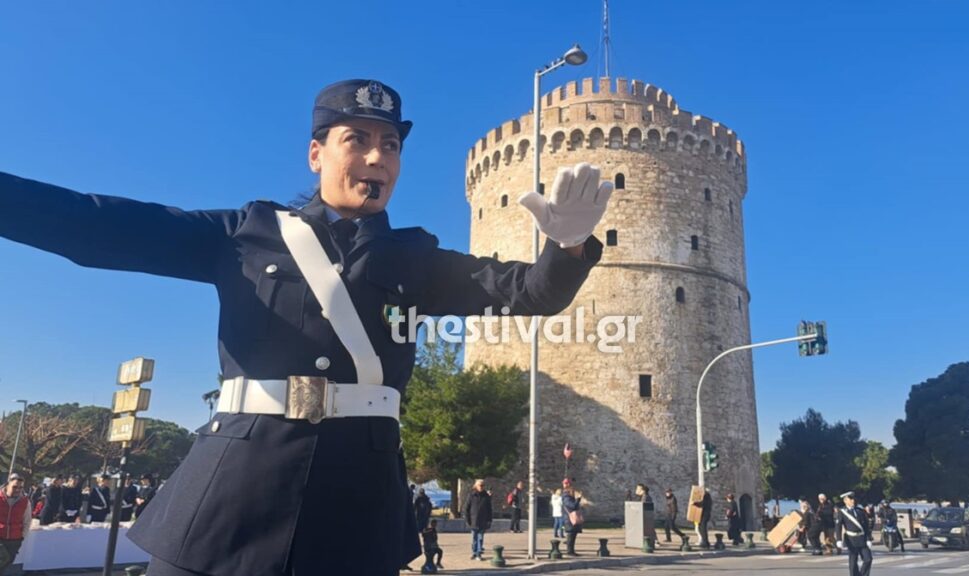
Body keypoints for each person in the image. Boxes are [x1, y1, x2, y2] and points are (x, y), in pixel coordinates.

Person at [0, 78, 609, 575]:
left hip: (357, 502)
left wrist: (570, 244)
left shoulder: (417, 259)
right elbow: (95, 227)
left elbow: (530, 293)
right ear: (317, 153)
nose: (377, 157)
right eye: (358, 139)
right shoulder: (247, 232)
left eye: (391, 144)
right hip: (232, 492)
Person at [0, 474, 33, 575]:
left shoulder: (25, 502)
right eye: (14, 487)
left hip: (15, 540)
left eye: (20, 487)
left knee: (6, 564)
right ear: (8, 484)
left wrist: (22, 536)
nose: (18, 489)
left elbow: (27, 521)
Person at [835, 491, 872, 576]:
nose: (853, 501)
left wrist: (868, 538)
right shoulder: (842, 512)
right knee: (853, 561)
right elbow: (838, 526)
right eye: (850, 499)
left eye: (853, 499)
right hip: (851, 539)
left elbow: (866, 526)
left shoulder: (860, 511)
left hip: (862, 538)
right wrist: (839, 539)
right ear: (845, 500)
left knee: (868, 559)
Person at [462, 479, 493, 561]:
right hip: (473, 521)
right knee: (474, 538)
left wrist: (489, 520)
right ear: (476, 486)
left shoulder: (486, 496)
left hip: (483, 521)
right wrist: (467, 519)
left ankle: (478, 553)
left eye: (483, 485)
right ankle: (474, 552)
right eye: (480, 485)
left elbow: (489, 509)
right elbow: (466, 508)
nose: (482, 487)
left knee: (480, 538)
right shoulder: (471, 495)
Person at [561, 478, 583, 556]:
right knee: (571, 535)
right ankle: (570, 551)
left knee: (573, 535)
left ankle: (571, 551)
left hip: (570, 518)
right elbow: (572, 506)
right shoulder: (566, 496)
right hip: (569, 518)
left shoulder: (569, 496)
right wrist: (578, 500)